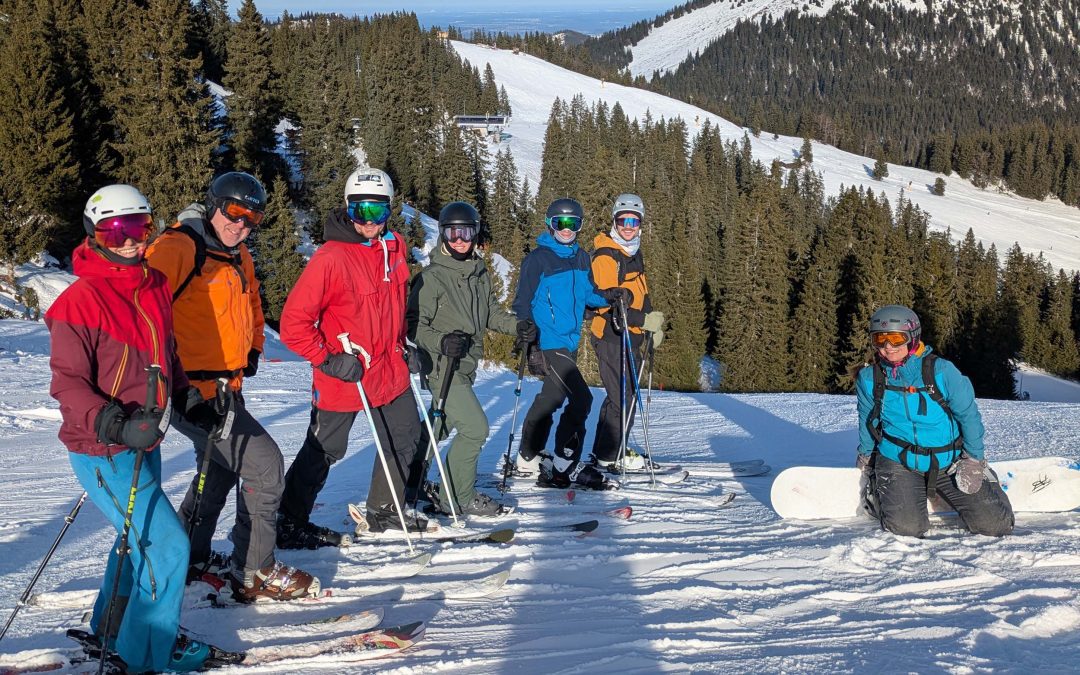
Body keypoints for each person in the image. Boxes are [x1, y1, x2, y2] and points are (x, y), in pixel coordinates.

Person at [46, 185, 233, 672]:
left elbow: (164, 356)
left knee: (135, 540)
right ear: (96, 233)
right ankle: (144, 655)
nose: (130, 240)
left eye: (140, 228)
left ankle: (111, 627)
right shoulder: (79, 301)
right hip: (102, 448)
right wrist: (114, 422)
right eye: (117, 229)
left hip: (145, 438)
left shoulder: (151, 284)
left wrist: (191, 399)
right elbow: (68, 385)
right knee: (167, 547)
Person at [146, 172, 318, 601]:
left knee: (218, 469)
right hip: (191, 391)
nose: (240, 224)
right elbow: (145, 315)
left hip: (225, 388)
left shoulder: (238, 254)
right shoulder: (179, 247)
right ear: (214, 204)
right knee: (264, 464)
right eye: (234, 212)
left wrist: (253, 348)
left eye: (251, 218)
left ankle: (190, 556)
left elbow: (254, 304)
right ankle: (255, 569)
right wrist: (175, 385)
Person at [278, 166, 428, 536]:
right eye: (361, 211)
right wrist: (328, 359)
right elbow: (293, 325)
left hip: (389, 367)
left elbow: (395, 306)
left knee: (406, 433)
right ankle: (288, 520)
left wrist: (405, 344)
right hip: (345, 371)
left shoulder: (395, 248)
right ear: (348, 209)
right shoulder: (330, 258)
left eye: (377, 211)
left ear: (390, 211)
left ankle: (384, 510)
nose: (369, 221)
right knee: (325, 448)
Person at [404, 201, 535, 516]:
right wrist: (441, 341)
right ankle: (457, 497)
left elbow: (489, 313)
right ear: (444, 235)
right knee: (475, 428)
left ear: (475, 234)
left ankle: (406, 479)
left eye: (466, 232)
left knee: (441, 424)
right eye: (452, 232)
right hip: (441, 366)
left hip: (464, 366)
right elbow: (413, 325)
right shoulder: (432, 277)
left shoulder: (478, 272)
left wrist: (517, 325)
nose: (459, 239)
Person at [856, 305, 1014, 538]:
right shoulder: (870, 377)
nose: (888, 347)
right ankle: (879, 491)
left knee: (996, 526)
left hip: (948, 460)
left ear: (912, 338)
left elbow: (968, 416)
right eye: (880, 339)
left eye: (896, 339)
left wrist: (973, 459)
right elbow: (868, 418)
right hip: (898, 460)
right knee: (907, 530)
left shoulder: (941, 371)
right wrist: (866, 455)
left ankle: (986, 480)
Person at [511, 198, 628, 490]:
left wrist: (610, 296)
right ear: (549, 223)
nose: (566, 229)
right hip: (547, 341)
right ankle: (565, 466)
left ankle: (528, 456)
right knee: (582, 399)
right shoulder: (537, 259)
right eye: (560, 223)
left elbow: (588, 293)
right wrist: (528, 336)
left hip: (569, 341)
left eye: (573, 224)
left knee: (551, 399)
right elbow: (522, 301)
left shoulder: (581, 257)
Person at [588, 193, 665, 472]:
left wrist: (651, 319)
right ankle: (610, 456)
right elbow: (610, 304)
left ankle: (606, 452)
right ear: (614, 221)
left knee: (622, 397)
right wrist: (644, 321)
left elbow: (640, 293)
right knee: (623, 398)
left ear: (641, 222)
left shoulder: (633, 251)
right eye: (623, 220)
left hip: (630, 335)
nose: (628, 226)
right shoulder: (606, 256)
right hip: (610, 336)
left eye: (633, 220)